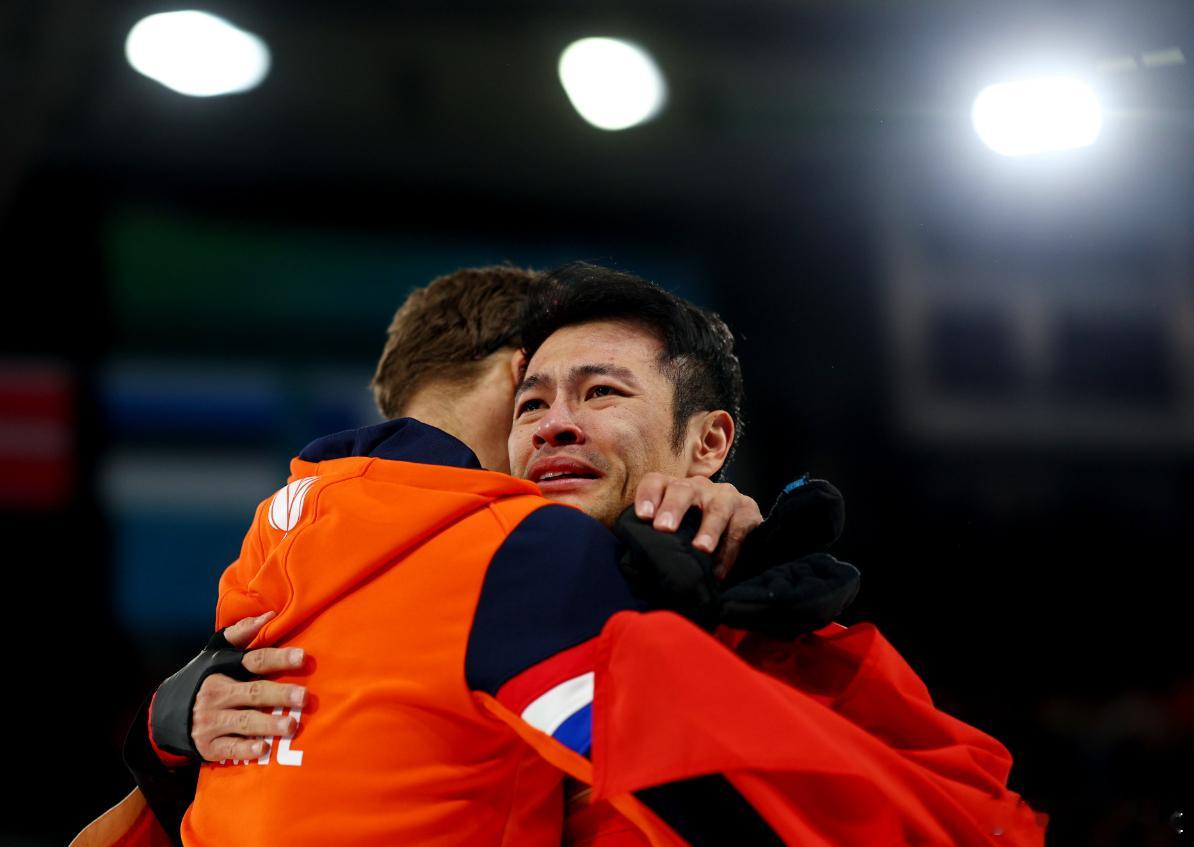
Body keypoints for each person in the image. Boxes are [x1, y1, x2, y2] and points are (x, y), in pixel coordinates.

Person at [102, 263, 1042, 846]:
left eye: (599, 392)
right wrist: (160, 735)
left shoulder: (774, 612)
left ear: (710, 443)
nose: (553, 425)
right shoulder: (463, 585)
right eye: (532, 403)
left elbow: (965, 813)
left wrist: (757, 636)